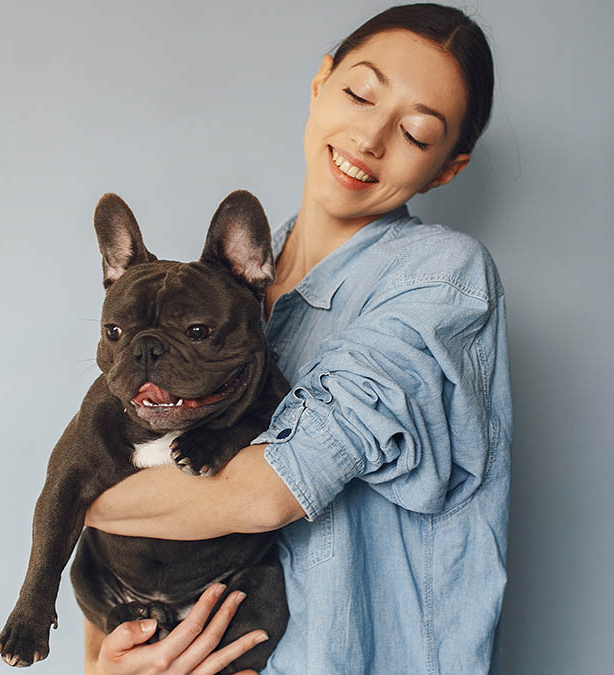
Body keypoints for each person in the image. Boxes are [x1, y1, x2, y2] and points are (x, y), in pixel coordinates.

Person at [81, 4, 511, 674]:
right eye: (360, 93)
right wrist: (107, 663)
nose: (370, 136)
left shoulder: (441, 279)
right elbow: (117, 535)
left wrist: (71, 489)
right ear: (320, 83)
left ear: (448, 169)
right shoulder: (217, 289)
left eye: (416, 132)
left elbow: (267, 491)